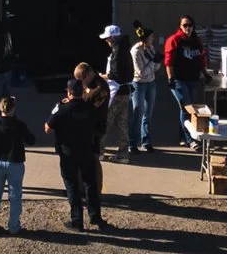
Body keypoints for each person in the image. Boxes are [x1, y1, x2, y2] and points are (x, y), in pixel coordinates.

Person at [44, 78, 109, 230]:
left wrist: (59, 106)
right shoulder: (90, 108)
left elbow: (47, 127)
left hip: (68, 153)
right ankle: (95, 217)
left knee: (72, 186)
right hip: (87, 150)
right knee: (90, 185)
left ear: (69, 92)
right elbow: (99, 127)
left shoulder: (63, 109)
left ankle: (77, 220)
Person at [0, 95, 33, 235]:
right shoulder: (19, 125)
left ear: (0, 108)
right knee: (15, 196)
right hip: (15, 163)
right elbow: (31, 140)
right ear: (13, 109)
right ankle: (14, 226)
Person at [163, 17, 208, 148]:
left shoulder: (196, 40)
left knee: (188, 109)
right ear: (180, 26)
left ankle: (182, 136)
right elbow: (168, 61)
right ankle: (190, 139)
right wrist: (170, 77)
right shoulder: (174, 40)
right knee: (186, 107)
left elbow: (201, 59)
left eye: (190, 25)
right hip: (179, 79)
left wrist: (205, 73)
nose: (187, 28)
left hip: (193, 79)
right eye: (185, 25)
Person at [127, 25, 163, 155]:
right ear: (145, 38)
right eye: (151, 37)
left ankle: (146, 141)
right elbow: (141, 72)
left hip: (151, 82)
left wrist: (157, 61)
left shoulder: (150, 48)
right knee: (138, 111)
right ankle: (132, 143)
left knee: (148, 113)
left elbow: (155, 67)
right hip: (138, 83)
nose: (153, 39)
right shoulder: (136, 51)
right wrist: (153, 63)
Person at [99, 24, 133, 160]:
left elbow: (114, 75)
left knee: (104, 122)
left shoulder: (117, 51)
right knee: (122, 124)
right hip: (125, 91)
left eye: (107, 38)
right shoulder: (127, 49)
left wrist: (101, 76)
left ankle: (99, 152)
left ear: (113, 38)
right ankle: (123, 154)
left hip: (115, 92)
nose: (106, 41)